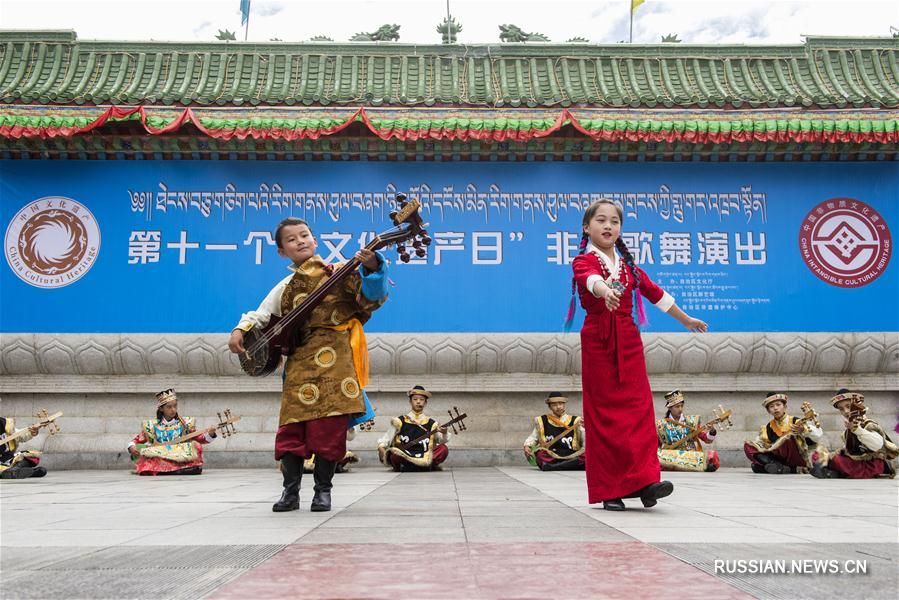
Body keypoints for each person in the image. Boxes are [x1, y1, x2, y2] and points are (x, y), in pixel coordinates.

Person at [228, 217, 388, 512]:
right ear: (281, 251)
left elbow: (372, 296)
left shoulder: (339, 272)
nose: (300, 241)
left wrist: (374, 267)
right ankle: (290, 493)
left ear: (315, 241)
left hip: (336, 360)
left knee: (329, 429)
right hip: (300, 361)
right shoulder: (286, 286)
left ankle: (322, 492)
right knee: (292, 428)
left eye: (305, 235)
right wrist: (241, 329)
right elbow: (261, 315)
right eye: (292, 239)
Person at [569, 199, 708, 511]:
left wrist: (685, 319)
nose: (608, 226)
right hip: (599, 342)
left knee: (640, 411)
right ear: (586, 227)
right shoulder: (583, 261)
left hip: (629, 342)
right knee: (605, 417)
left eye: (614, 221)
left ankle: (646, 482)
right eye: (601, 220)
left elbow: (656, 293)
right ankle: (610, 490)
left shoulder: (629, 267)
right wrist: (606, 292)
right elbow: (591, 282)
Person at [127, 389, 217, 475]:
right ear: (161, 409)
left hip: (180, 454)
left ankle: (165, 470)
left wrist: (211, 434)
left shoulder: (185, 424)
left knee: (196, 446)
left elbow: (200, 439)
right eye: (169, 407)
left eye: (175, 406)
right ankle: (179, 470)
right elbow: (135, 441)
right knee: (149, 453)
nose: (173, 409)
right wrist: (132, 447)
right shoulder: (152, 426)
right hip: (161, 455)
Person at [811, 389, 897, 479]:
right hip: (857, 463)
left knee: (837, 461)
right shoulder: (847, 431)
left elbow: (878, 445)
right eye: (841, 409)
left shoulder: (869, 424)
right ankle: (835, 472)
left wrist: (857, 430)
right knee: (819, 454)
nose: (846, 411)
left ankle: (836, 472)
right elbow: (851, 451)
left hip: (871, 465)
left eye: (848, 406)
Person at [743, 392, 825, 474]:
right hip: (779, 458)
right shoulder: (768, 427)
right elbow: (762, 445)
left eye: (778, 405)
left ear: (785, 407)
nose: (775, 408)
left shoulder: (796, 421)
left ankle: (776, 466)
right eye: (771, 406)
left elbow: (818, 435)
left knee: (788, 438)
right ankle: (780, 467)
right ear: (768, 411)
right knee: (749, 447)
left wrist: (803, 430)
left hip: (796, 457)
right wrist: (758, 446)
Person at [377, 385, 450, 471]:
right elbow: (386, 439)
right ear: (410, 402)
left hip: (424, 454)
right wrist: (381, 448)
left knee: (443, 449)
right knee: (394, 453)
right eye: (415, 399)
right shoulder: (399, 421)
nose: (418, 402)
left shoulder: (432, 423)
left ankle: (415, 466)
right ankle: (422, 466)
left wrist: (444, 432)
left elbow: (442, 440)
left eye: (421, 399)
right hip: (405, 454)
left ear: (425, 403)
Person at [656, 390, 720, 472]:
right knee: (655, 456)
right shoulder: (661, 425)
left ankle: (676, 465)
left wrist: (712, 432)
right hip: (670, 456)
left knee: (711, 456)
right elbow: (655, 446)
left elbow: (706, 439)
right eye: (677, 407)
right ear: (669, 408)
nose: (680, 409)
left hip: (690, 456)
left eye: (682, 406)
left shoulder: (691, 421)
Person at [523, 392, 585, 471]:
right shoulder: (542, 420)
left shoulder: (576, 420)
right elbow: (533, 437)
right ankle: (570, 465)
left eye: (560, 404)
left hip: (572, 453)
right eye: (554, 405)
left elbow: (585, 440)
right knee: (540, 455)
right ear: (549, 407)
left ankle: (553, 467)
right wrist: (527, 446)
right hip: (551, 454)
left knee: (587, 455)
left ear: (564, 404)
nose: (558, 407)